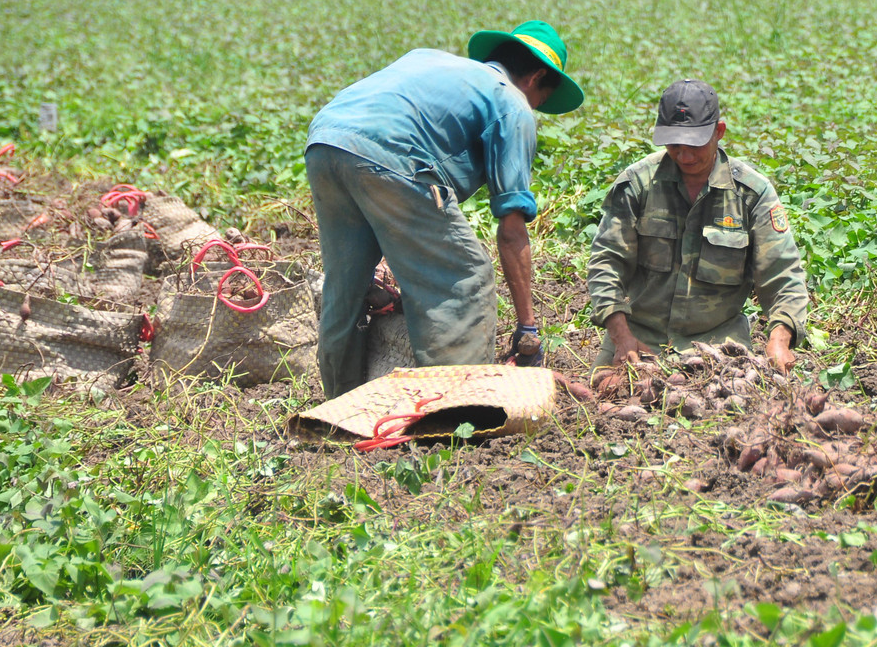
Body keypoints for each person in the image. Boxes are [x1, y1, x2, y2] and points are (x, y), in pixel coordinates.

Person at [306, 20, 584, 399]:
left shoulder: (429, 60)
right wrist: (527, 327)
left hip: (325, 140)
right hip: (394, 154)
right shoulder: (512, 102)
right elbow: (512, 228)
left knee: (347, 283)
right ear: (536, 78)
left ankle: (340, 404)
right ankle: (456, 411)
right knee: (466, 278)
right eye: (542, 102)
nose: (536, 109)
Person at [586, 79, 809, 379]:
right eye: (674, 145)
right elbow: (606, 263)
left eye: (694, 144)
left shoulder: (751, 194)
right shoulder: (637, 185)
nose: (685, 155)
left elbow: (783, 276)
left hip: (720, 349)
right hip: (638, 341)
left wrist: (780, 339)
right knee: (604, 402)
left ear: (719, 132)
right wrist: (620, 336)